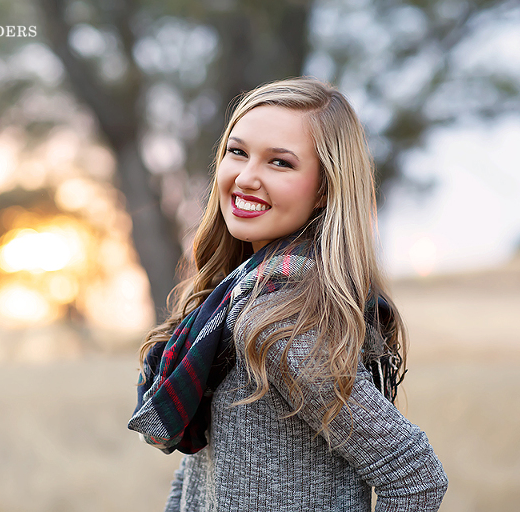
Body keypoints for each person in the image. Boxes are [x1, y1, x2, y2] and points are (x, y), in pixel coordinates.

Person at [128, 77, 448, 511]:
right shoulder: (233, 296)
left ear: (323, 189)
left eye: (279, 163)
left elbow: (414, 474)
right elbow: (205, 471)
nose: (245, 178)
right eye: (237, 152)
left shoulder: (282, 323)